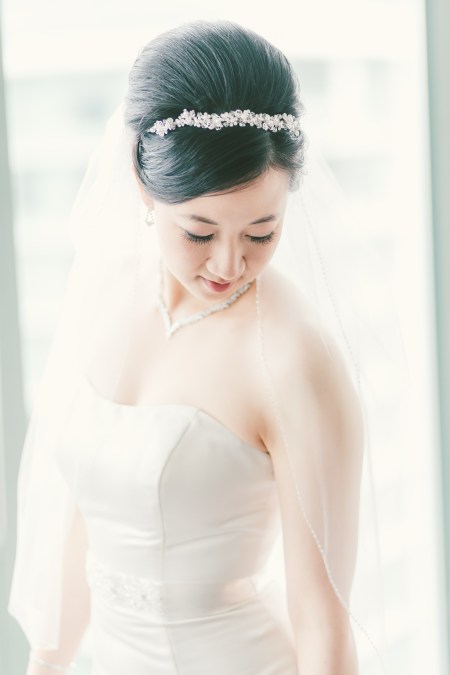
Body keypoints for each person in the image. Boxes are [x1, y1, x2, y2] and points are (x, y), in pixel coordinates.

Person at [9, 19, 395, 675]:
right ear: (143, 186)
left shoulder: (295, 357)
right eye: (198, 232)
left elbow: (323, 624)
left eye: (261, 233)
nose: (228, 264)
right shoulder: (103, 294)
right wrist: (46, 663)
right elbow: (79, 529)